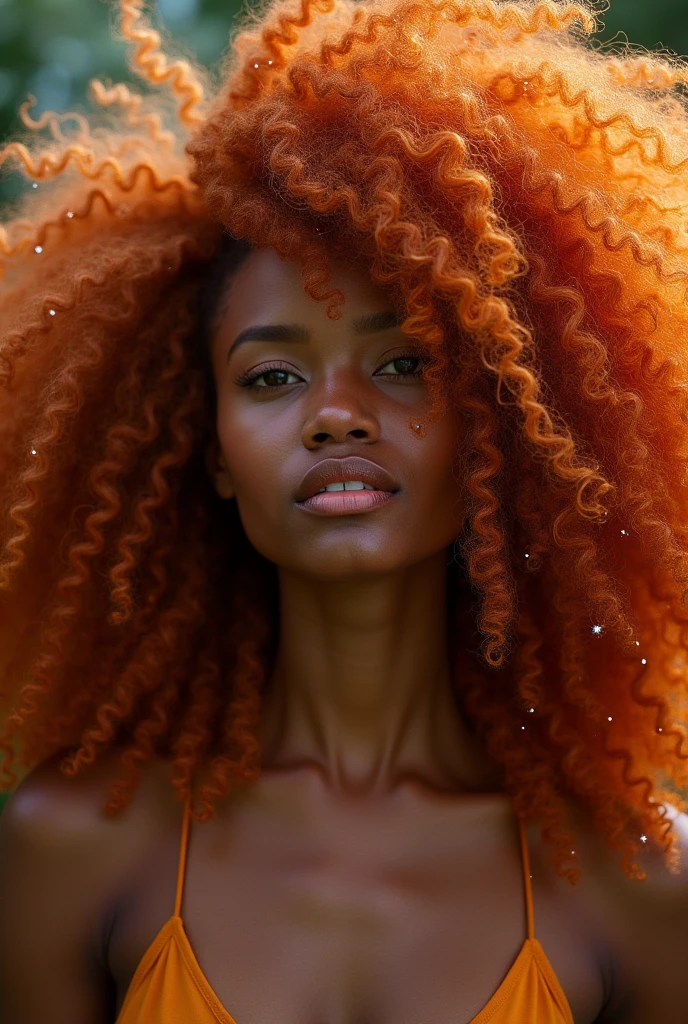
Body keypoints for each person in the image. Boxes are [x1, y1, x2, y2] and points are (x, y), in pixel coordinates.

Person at [1, 0, 688, 1019]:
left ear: (499, 426)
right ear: (210, 448)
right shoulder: (73, 845)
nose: (335, 416)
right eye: (272, 377)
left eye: (403, 363)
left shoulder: (640, 882)